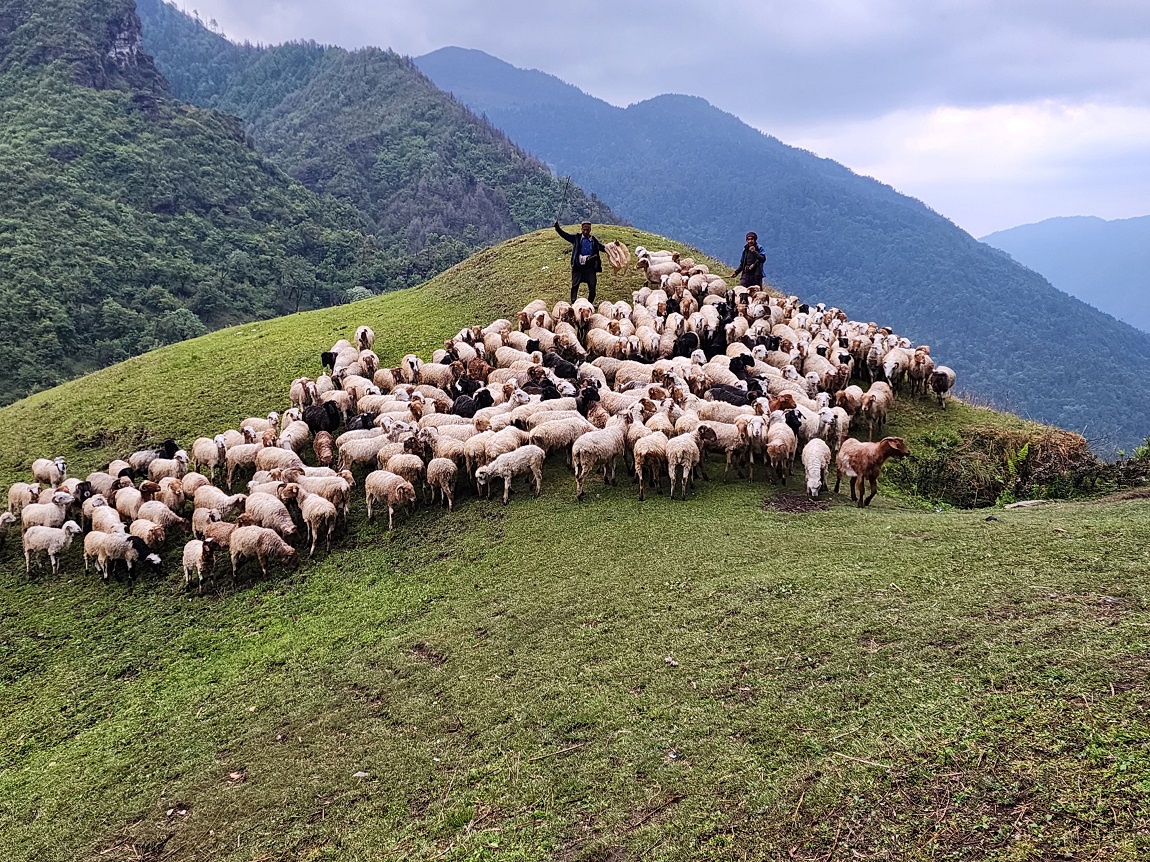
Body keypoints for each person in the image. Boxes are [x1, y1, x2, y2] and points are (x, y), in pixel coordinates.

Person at [555, 220, 608, 305]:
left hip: (590, 267)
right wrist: (558, 228)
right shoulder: (577, 238)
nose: (585, 232)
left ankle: (589, 304)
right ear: (581, 229)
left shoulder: (593, 240)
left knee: (592, 286)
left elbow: (602, 248)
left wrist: (613, 247)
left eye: (587, 230)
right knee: (575, 285)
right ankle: (573, 303)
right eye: (584, 230)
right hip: (578, 266)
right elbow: (566, 236)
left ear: (590, 230)